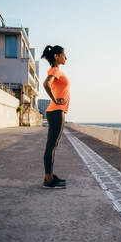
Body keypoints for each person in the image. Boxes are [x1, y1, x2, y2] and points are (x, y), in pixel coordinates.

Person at [41, 45, 70, 188]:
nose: (66, 57)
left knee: (52, 145)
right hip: (56, 111)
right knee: (51, 146)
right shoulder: (55, 70)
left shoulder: (55, 70)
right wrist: (55, 100)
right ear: (57, 56)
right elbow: (46, 84)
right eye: (64, 54)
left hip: (56, 111)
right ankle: (48, 179)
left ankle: (50, 176)